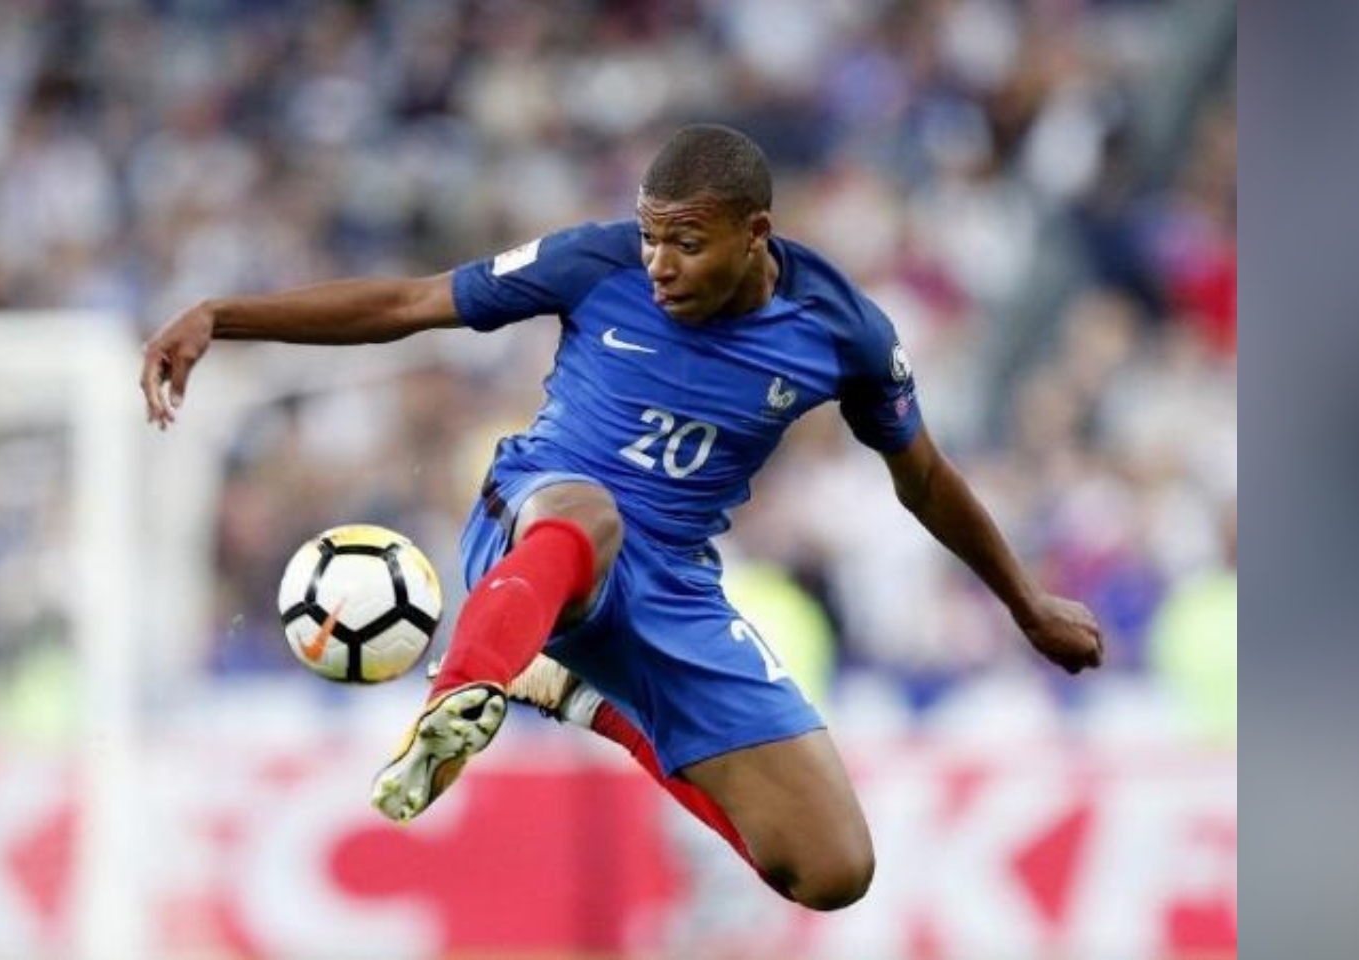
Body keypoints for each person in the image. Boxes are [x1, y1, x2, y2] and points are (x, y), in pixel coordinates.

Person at [140, 124, 1103, 911]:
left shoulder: (841, 331)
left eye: (686, 243)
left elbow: (923, 477)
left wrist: (1024, 604)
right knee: (586, 512)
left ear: (755, 233)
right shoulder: (591, 262)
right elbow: (407, 301)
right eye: (651, 238)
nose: (658, 265)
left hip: (672, 580)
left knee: (834, 870)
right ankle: (458, 697)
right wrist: (223, 316)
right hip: (538, 516)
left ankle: (574, 691)